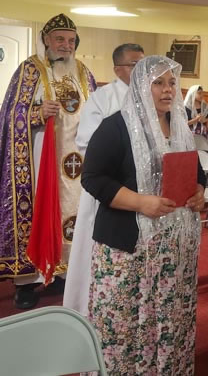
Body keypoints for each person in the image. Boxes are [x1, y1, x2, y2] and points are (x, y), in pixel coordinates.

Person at [81, 56, 206, 374]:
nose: (168, 90)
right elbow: (93, 178)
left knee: (168, 320)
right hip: (129, 249)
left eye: (172, 83)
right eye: (158, 83)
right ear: (140, 86)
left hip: (172, 253)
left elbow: (197, 173)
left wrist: (198, 192)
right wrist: (140, 202)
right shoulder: (116, 126)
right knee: (126, 326)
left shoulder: (179, 125)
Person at [0, 14, 96, 309]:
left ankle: (65, 271)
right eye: (60, 39)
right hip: (39, 159)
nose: (66, 45)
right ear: (46, 40)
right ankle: (27, 282)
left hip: (79, 161)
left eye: (71, 40)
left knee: (74, 213)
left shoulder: (83, 72)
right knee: (38, 211)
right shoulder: (30, 69)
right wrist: (37, 113)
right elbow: (11, 115)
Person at [63, 42, 144, 316]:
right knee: (97, 244)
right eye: (135, 65)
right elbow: (86, 140)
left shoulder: (150, 98)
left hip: (141, 189)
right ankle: (88, 304)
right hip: (109, 184)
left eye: (144, 64)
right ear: (118, 69)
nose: (141, 71)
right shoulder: (103, 98)